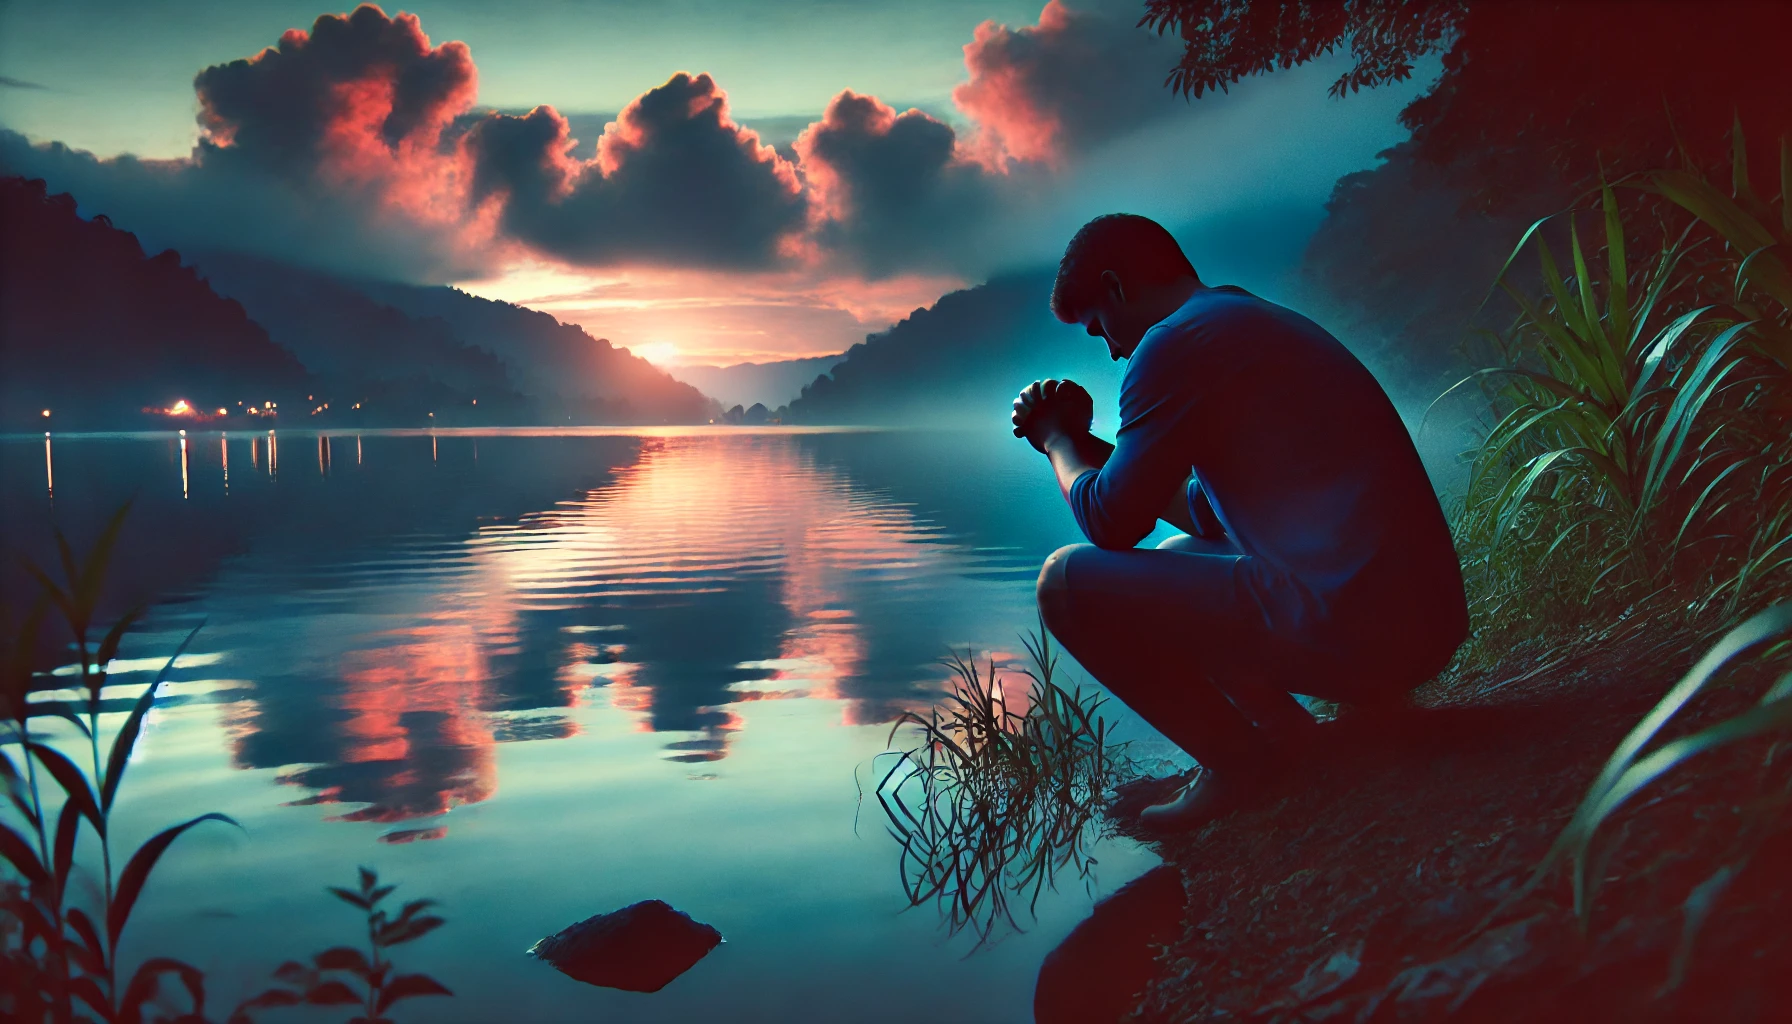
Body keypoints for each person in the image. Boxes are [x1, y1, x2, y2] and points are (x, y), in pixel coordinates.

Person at [1012, 213, 1468, 830]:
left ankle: (1240, 767)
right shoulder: (1238, 319)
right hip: (1423, 626)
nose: (1114, 349)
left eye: (1099, 328)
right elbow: (1203, 511)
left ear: (1116, 287)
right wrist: (1087, 443)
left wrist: (1055, 441)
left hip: (1371, 637)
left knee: (1063, 583)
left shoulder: (1172, 344)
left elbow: (1108, 523)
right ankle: (1292, 738)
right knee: (1177, 553)